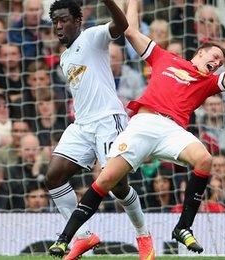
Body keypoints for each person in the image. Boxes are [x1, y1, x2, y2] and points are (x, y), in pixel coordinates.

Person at [49, 1, 225, 256]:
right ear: (200, 52)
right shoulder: (164, 57)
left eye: (220, 62)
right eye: (215, 56)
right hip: (143, 122)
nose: (217, 63)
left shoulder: (208, 82)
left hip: (171, 130)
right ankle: (72, 237)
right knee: (105, 180)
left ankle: (183, 228)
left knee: (205, 159)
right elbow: (131, 31)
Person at [44, 1, 153, 259]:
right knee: (53, 176)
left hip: (107, 120)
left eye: (64, 20)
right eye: (55, 22)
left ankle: (143, 234)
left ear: (78, 21)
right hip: (82, 126)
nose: (59, 27)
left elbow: (122, 25)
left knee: (117, 186)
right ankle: (83, 238)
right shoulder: (65, 57)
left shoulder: (93, 37)